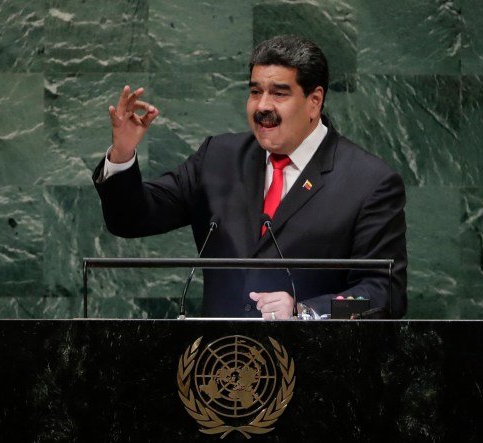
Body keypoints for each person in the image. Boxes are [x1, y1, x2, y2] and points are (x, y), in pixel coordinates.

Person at [93, 35, 407, 320]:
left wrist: (307, 311)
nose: (262, 106)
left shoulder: (369, 182)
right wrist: (122, 153)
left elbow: (383, 295)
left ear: (314, 101)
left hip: (313, 369)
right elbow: (130, 219)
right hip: (217, 367)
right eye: (255, 92)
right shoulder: (219, 157)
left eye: (279, 93)